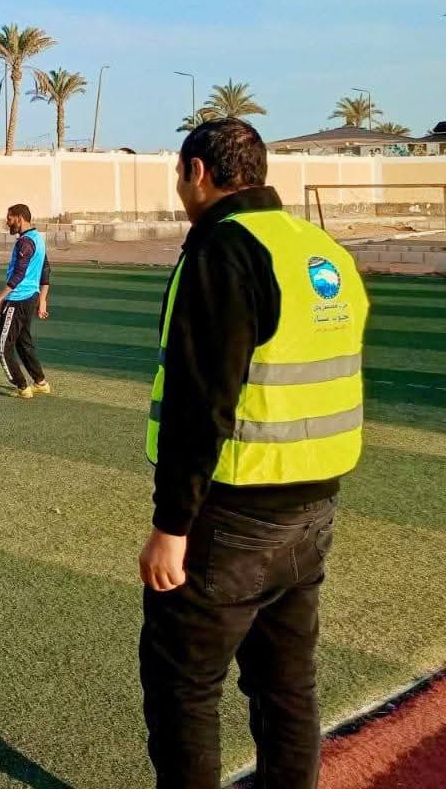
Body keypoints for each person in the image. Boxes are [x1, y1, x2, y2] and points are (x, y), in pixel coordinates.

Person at [139, 119, 368, 788]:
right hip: (313, 511)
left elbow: (200, 403)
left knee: (184, 689)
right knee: (286, 686)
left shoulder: (224, 251)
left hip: (233, 516)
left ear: (198, 172)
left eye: (180, 175)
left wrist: (171, 526)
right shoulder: (319, 248)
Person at [0, 203, 51, 399]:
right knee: (23, 342)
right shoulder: (38, 239)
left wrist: (0, 297)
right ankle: (40, 382)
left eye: (9, 218)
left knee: (3, 346)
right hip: (30, 298)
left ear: (19, 218)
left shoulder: (24, 242)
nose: (7, 222)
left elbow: (19, 274)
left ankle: (22, 386)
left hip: (17, 299)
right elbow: (46, 270)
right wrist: (42, 300)